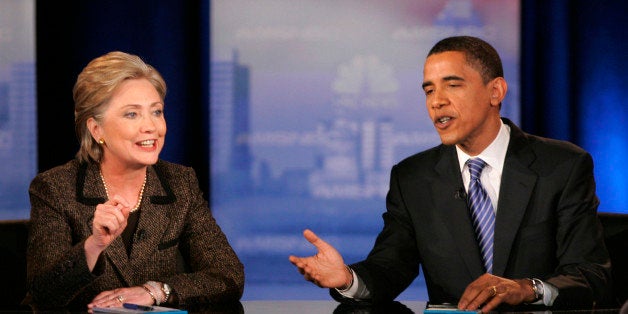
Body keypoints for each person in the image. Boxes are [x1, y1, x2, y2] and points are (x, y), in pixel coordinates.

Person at [289, 36, 614, 312]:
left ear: (496, 91)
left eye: (452, 85)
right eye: (429, 90)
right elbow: (389, 269)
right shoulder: (412, 177)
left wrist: (527, 288)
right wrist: (347, 278)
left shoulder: (562, 165)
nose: (437, 102)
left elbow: (589, 274)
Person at [24, 51, 244, 311]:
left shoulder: (180, 183)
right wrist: (93, 246)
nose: (151, 126)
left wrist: (155, 291)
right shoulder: (56, 189)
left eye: (157, 112)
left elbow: (228, 276)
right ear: (97, 130)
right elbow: (43, 295)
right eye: (132, 114)